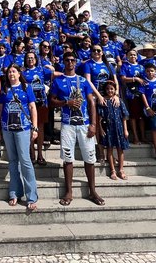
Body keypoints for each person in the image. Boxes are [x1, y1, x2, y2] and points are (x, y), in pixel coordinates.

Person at [49, 52, 103, 206]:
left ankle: (92, 191)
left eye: (73, 60)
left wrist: (93, 124)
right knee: (68, 159)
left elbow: (91, 102)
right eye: (67, 60)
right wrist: (66, 103)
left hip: (84, 124)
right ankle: (69, 191)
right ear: (64, 62)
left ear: (76, 62)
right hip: (67, 125)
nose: (70, 62)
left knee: (89, 158)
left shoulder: (83, 81)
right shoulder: (58, 81)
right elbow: (51, 101)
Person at [0, 64, 39, 211]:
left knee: (25, 161)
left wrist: (35, 127)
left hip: (23, 129)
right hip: (7, 129)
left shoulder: (27, 88)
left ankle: (31, 196)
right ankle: (15, 192)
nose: (11, 74)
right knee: (12, 161)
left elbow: (33, 107)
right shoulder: (5, 90)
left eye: (14, 71)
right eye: (9, 72)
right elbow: (0, 110)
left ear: (19, 73)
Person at [97, 80, 129, 180]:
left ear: (115, 90)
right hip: (108, 128)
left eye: (111, 89)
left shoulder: (119, 101)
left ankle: (121, 169)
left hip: (119, 127)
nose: (109, 91)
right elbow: (100, 117)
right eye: (107, 89)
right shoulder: (103, 101)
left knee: (120, 149)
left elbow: (124, 116)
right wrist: (101, 129)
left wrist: (125, 129)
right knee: (109, 149)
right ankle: (112, 170)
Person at [119, 49, 146, 145]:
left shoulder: (141, 67)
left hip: (142, 94)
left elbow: (146, 79)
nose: (133, 56)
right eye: (130, 55)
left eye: (134, 55)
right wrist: (135, 79)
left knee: (142, 116)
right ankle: (135, 137)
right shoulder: (125, 66)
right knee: (133, 116)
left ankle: (143, 137)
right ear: (127, 56)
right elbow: (123, 79)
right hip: (131, 94)